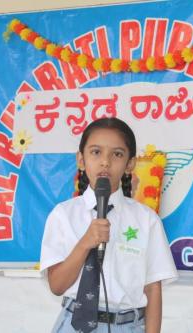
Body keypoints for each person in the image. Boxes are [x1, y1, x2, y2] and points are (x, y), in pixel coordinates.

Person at [40, 117, 178, 333]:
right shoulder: (63, 215)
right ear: (81, 159)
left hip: (128, 326)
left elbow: (153, 289)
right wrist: (85, 243)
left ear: (130, 164)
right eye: (96, 152)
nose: (105, 162)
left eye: (117, 154)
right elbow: (57, 286)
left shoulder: (146, 219)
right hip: (74, 324)